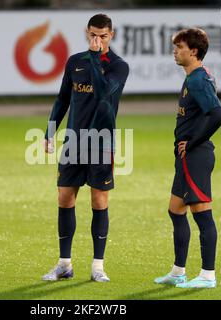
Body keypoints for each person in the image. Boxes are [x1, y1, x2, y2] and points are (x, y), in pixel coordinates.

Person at [42, 13, 129, 282]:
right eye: (93, 35)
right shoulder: (74, 62)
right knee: (65, 197)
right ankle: (64, 264)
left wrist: (95, 57)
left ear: (111, 35)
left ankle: (98, 266)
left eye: (103, 36)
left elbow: (103, 92)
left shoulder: (118, 66)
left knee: (98, 200)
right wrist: (49, 131)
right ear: (86, 32)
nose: (97, 41)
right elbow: (62, 98)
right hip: (73, 141)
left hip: (101, 142)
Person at [154, 28, 221, 289]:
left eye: (180, 47)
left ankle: (208, 275)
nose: (175, 51)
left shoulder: (197, 79)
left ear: (193, 51)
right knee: (175, 210)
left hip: (195, 156)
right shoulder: (194, 77)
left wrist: (193, 142)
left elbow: (218, 115)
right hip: (186, 158)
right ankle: (178, 272)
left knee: (202, 215)